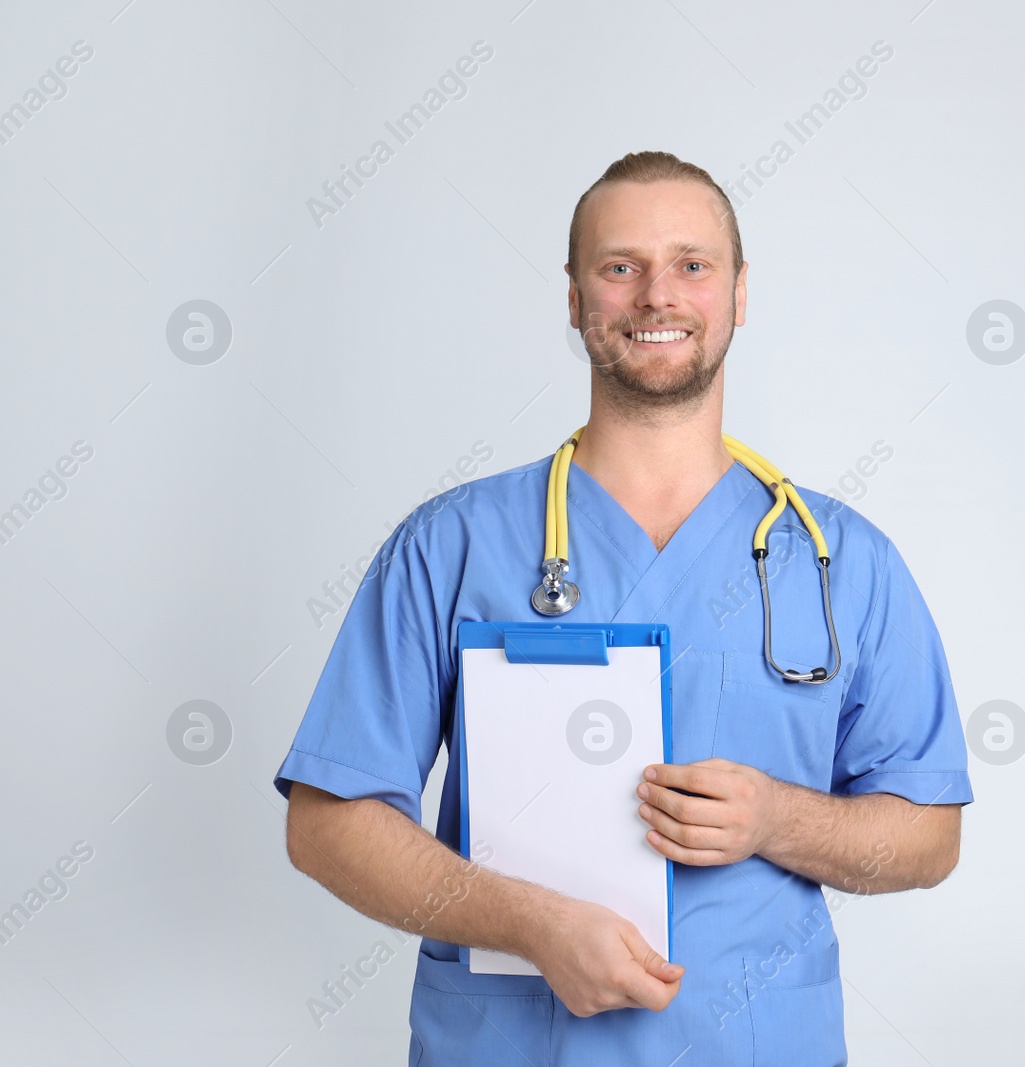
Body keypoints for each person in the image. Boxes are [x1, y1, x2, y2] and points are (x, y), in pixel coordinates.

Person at [273, 150, 973, 1066]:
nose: (657, 295)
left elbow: (929, 834)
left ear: (739, 292)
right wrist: (527, 922)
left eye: (691, 263)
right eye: (620, 266)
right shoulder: (451, 545)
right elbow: (327, 822)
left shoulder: (846, 561)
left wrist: (776, 820)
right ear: (574, 297)